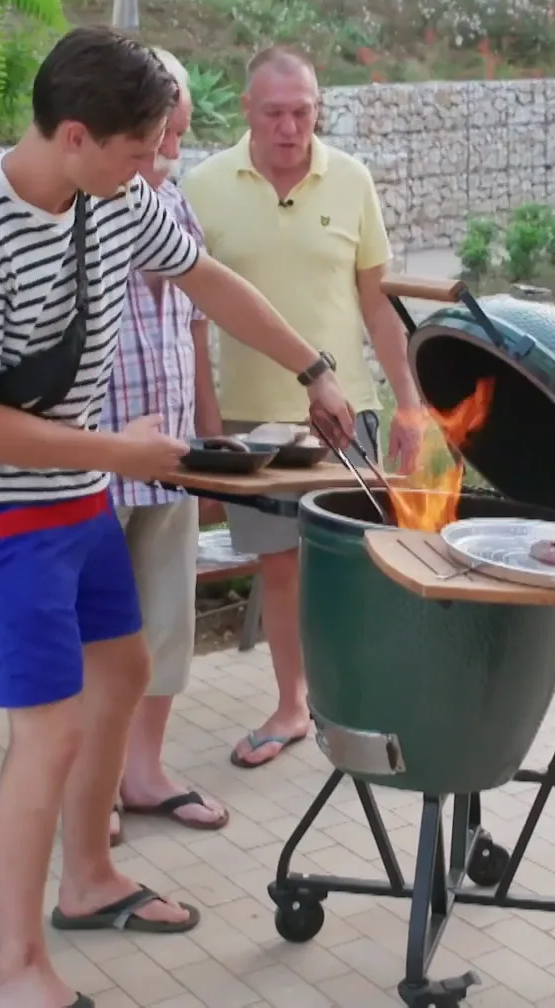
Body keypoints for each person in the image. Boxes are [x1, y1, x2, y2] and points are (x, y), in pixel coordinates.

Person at [0, 26, 355, 1008]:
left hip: (75, 490)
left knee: (123, 669)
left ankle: (91, 879)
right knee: (47, 732)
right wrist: (120, 453)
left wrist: (313, 369)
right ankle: (18, 972)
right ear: (75, 136)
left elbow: (207, 280)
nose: (156, 168)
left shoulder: (113, 200)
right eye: (142, 149)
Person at [180, 45, 424, 769]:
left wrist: (410, 405)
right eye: (274, 113)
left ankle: (364, 698)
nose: (290, 128)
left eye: (303, 112)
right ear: (246, 111)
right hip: (252, 423)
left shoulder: (351, 180)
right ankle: (293, 706)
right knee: (281, 568)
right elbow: (192, 320)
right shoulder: (202, 187)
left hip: (348, 415)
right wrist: (208, 422)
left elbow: (379, 307)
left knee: (359, 562)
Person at [98, 47, 231, 835]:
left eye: (180, 134)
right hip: (96, 463)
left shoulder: (173, 204)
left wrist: (208, 436)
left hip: (171, 454)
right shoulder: (75, 208)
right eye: (162, 135)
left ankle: (144, 772)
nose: (172, 152)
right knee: (97, 634)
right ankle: (95, 788)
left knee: (168, 622)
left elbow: (197, 317)